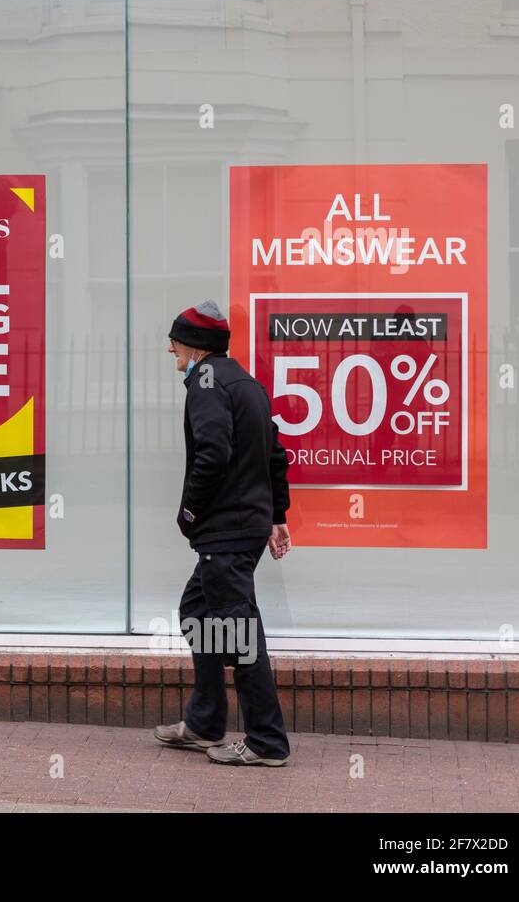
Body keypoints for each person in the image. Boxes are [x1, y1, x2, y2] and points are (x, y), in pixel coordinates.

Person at [153, 300, 293, 767]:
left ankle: (266, 742)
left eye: (174, 339)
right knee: (197, 610)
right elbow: (276, 453)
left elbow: (212, 454)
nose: (170, 346)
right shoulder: (246, 383)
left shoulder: (207, 384)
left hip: (225, 532)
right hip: (244, 527)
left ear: (194, 346)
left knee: (240, 633)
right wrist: (277, 515)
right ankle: (205, 722)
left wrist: (190, 512)